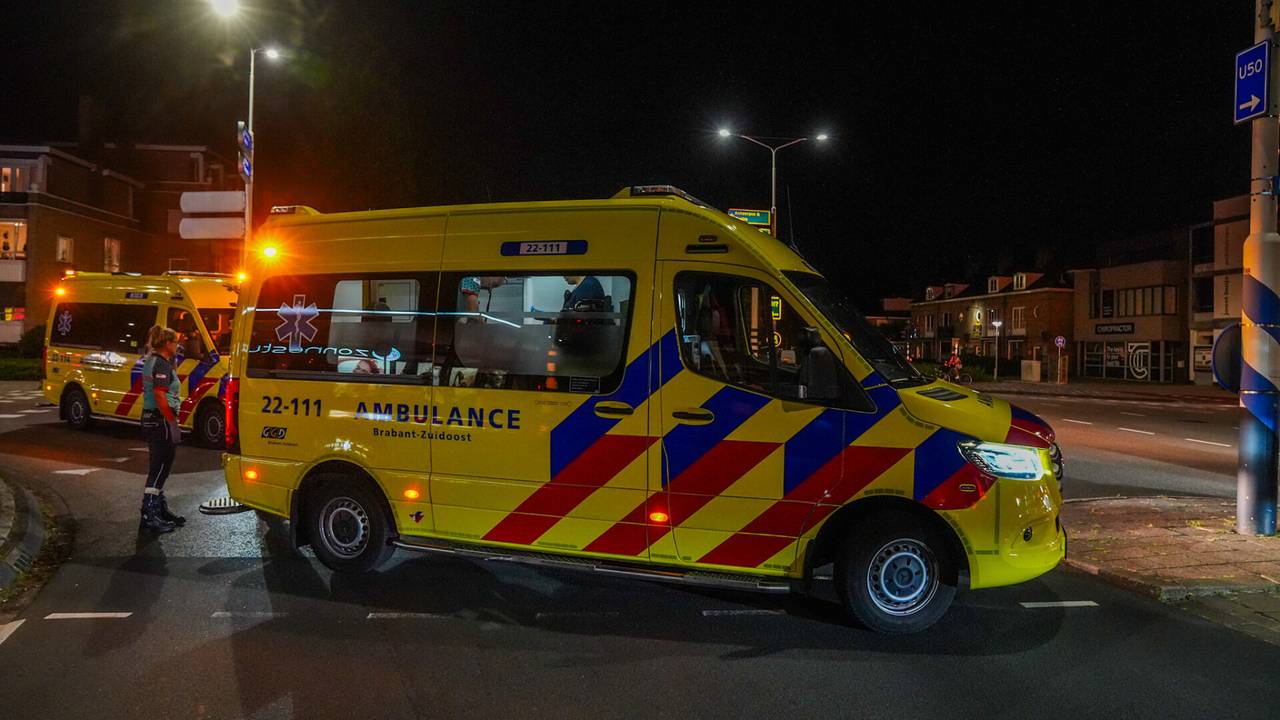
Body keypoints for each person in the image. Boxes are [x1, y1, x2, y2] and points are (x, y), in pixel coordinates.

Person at [139, 325, 185, 533]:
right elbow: (159, 394)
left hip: (151, 419)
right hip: (161, 420)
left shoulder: (151, 361)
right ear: (167, 344)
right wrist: (171, 420)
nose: (177, 346)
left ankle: (158, 509)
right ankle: (150, 514)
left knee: (159, 466)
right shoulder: (162, 364)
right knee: (160, 467)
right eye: (175, 342)